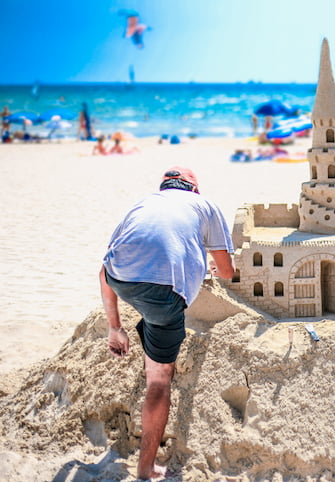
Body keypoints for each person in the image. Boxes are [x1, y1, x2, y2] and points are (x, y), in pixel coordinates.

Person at [99, 167, 235, 480]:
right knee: (159, 379)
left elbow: (105, 267)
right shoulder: (205, 206)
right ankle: (146, 468)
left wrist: (114, 326)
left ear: (164, 188)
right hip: (164, 294)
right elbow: (226, 271)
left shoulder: (143, 203)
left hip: (121, 278)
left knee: (148, 311)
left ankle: (131, 330)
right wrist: (209, 264)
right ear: (194, 190)